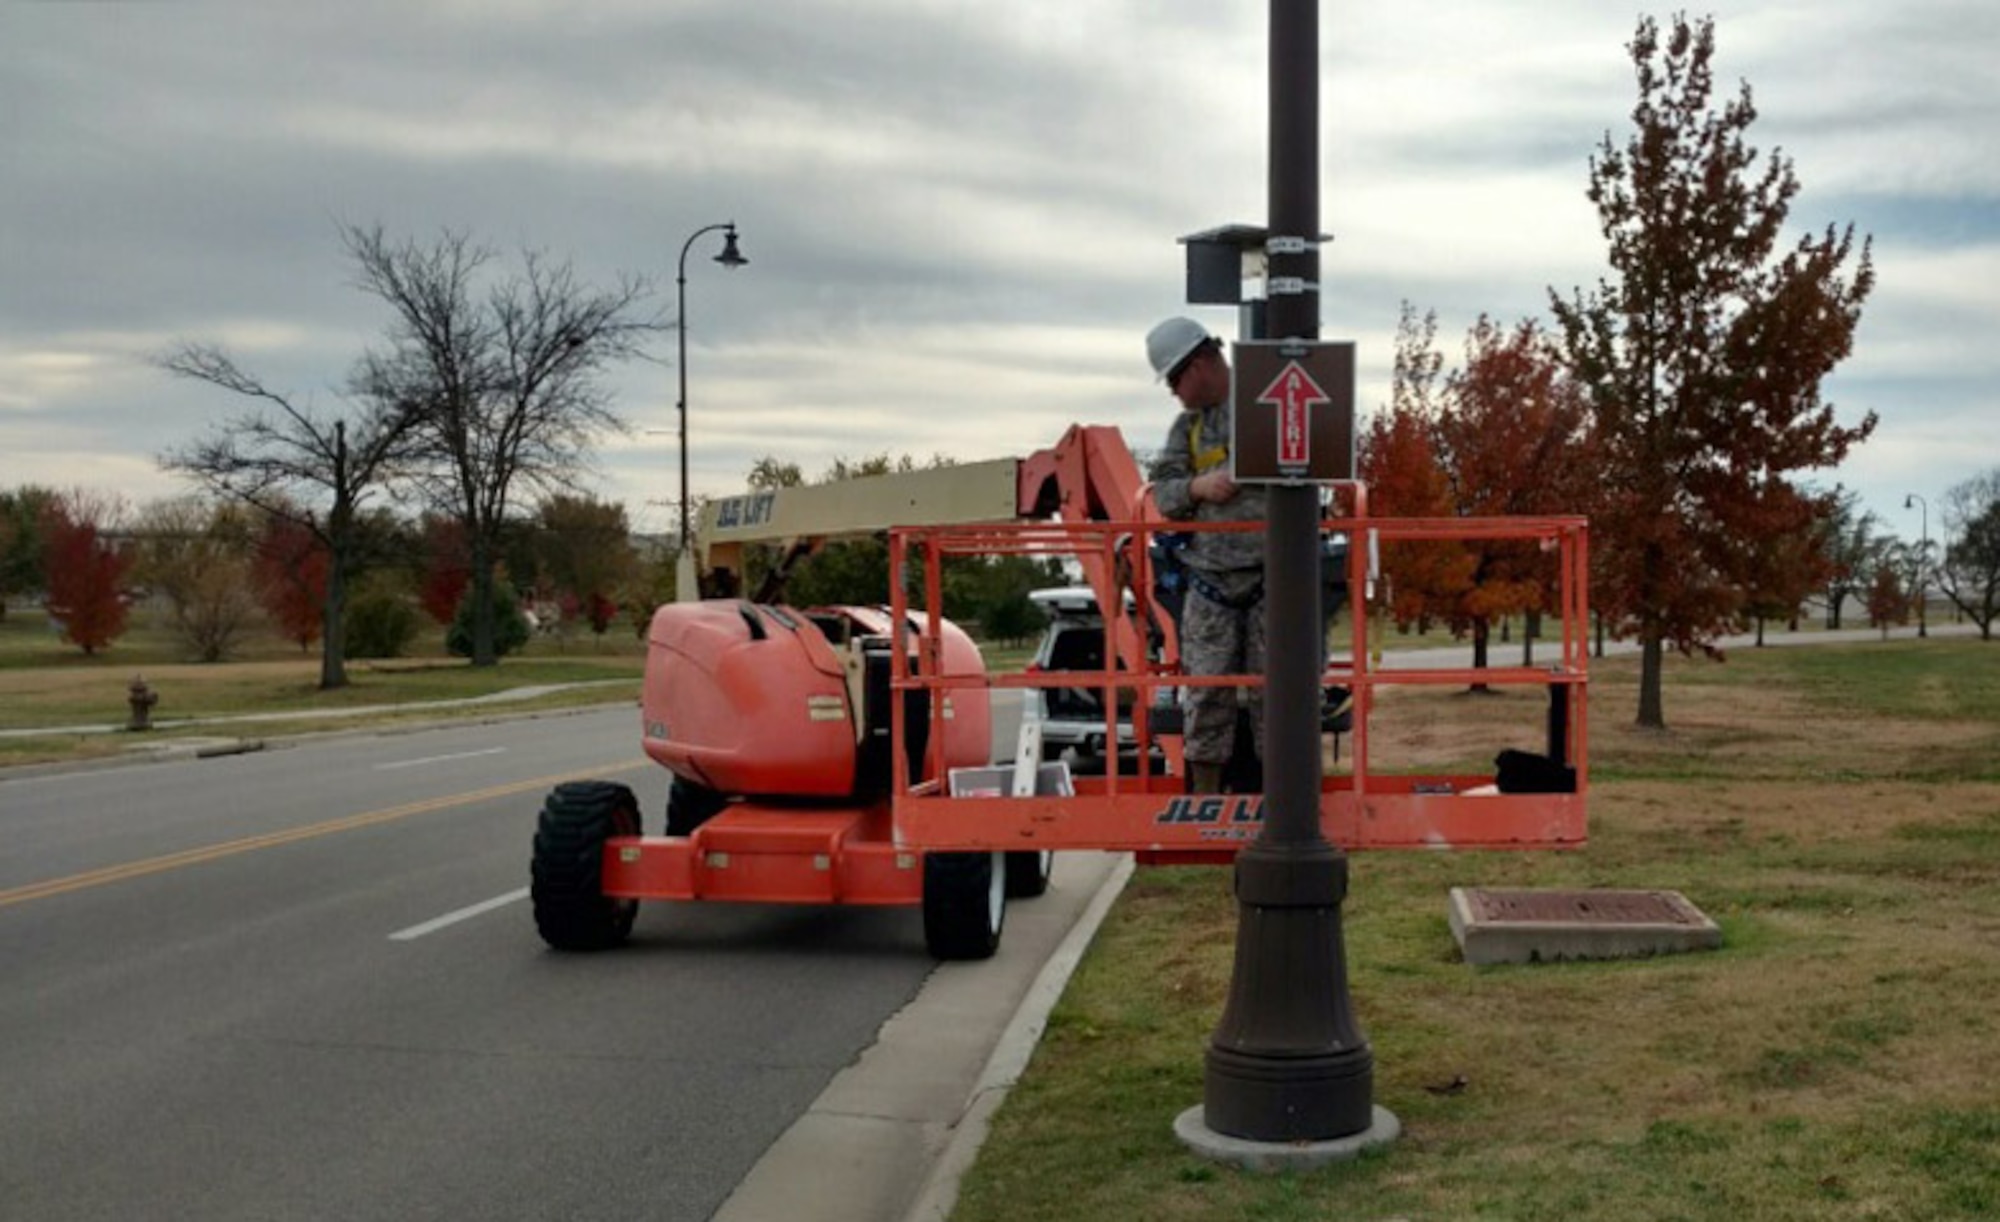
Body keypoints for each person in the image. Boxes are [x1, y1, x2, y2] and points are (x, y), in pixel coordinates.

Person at [1144, 316, 1266, 794]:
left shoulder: (1269, 406)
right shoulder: (1188, 429)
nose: (1175, 393)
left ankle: (1283, 803)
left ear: (1198, 365)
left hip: (1273, 581)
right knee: (1206, 695)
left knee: (1276, 701)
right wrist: (1199, 486)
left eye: (1175, 380)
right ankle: (1206, 801)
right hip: (1211, 584)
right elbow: (1164, 496)